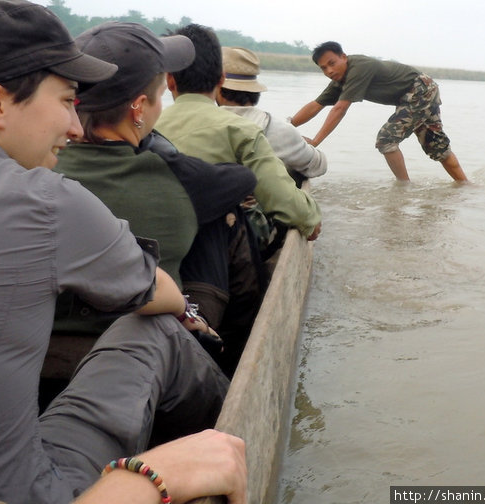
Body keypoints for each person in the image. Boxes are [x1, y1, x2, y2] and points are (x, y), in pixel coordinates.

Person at [0, 0, 246, 504]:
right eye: (67, 101)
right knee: (156, 328)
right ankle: (227, 441)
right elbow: (160, 293)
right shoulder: (46, 200)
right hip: (30, 492)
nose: (74, 126)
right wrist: (189, 317)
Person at [49, 21, 258, 378]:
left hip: (46, 345)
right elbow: (243, 179)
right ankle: (233, 353)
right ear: (139, 107)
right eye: (160, 95)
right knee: (224, 217)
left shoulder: (35, 166)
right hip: (143, 348)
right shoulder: (173, 173)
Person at [155, 24, 323, 242]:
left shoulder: (147, 128)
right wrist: (310, 219)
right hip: (219, 247)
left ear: (169, 81)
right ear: (221, 79)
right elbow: (283, 200)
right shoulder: (242, 130)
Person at [290, 41, 468, 182]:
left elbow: (340, 108)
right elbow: (316, 105)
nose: (329, 70)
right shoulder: (339, 80)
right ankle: (466, 186)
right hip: (418, 93)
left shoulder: (358, 68)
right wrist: (287, 125)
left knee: (386, 140)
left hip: (420, 89)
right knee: (437, 147)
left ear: (343, 57)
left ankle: (403, 188)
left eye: (332, 63)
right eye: (323, 68)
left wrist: (315, 141)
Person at [217, 46, 328, 185]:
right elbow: (320, 165)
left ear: (216, 87)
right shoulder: (278, 129)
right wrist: (300, 142)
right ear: (254, 90)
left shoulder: (198, 122)